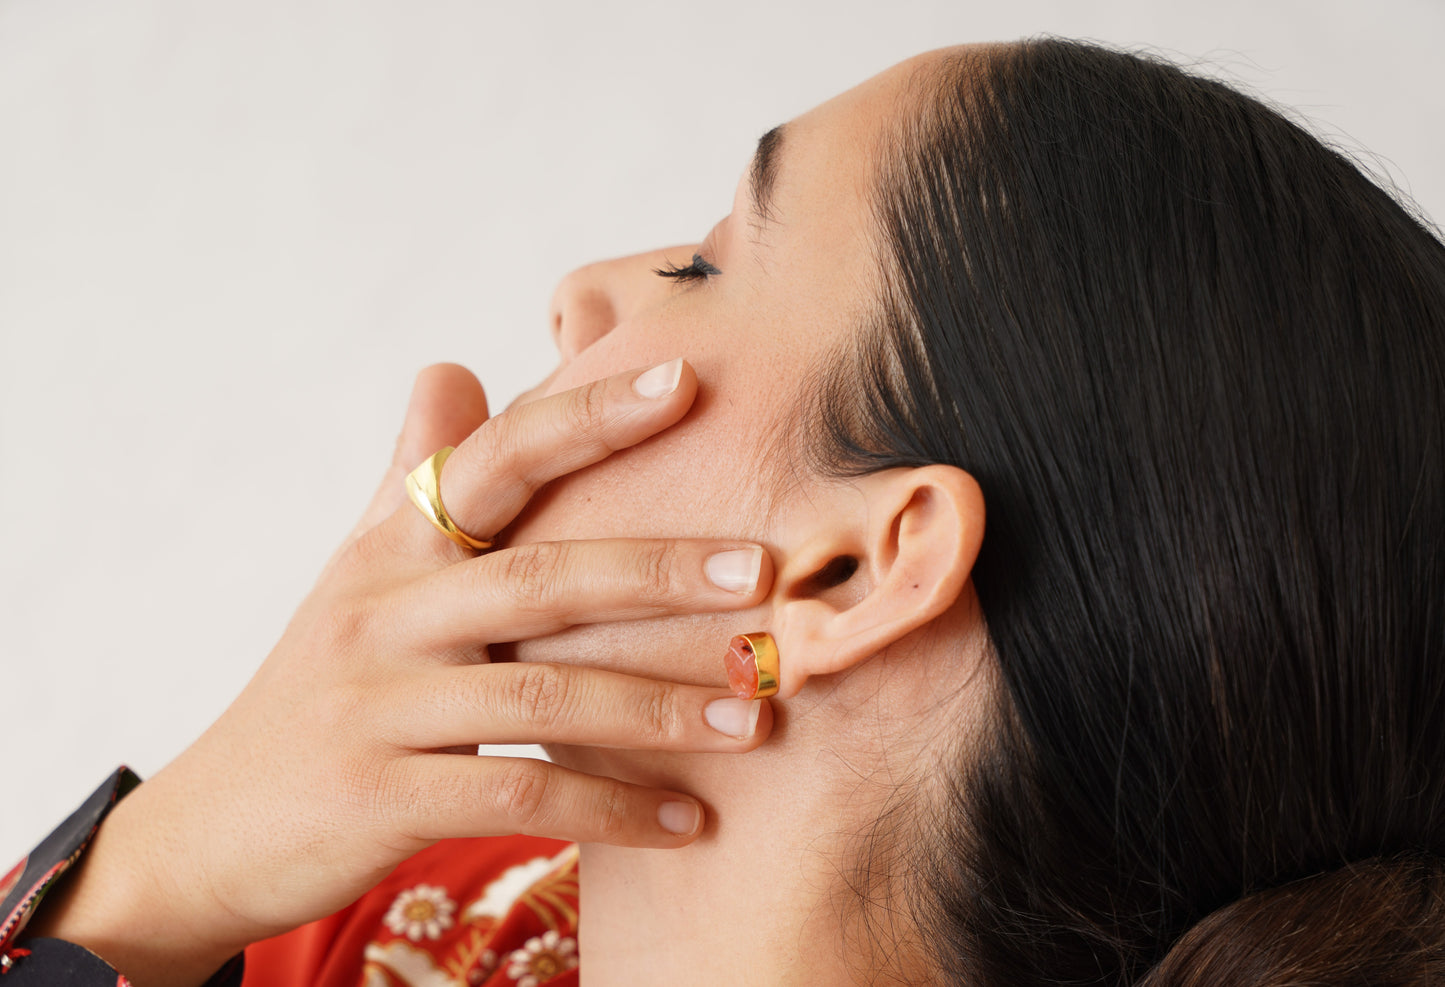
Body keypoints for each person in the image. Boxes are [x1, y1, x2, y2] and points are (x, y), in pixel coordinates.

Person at [3, 36, 1443, 986]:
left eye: (700, 266)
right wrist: (154, 874)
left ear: (849, 571)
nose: (582, 292)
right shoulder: (386, 932)